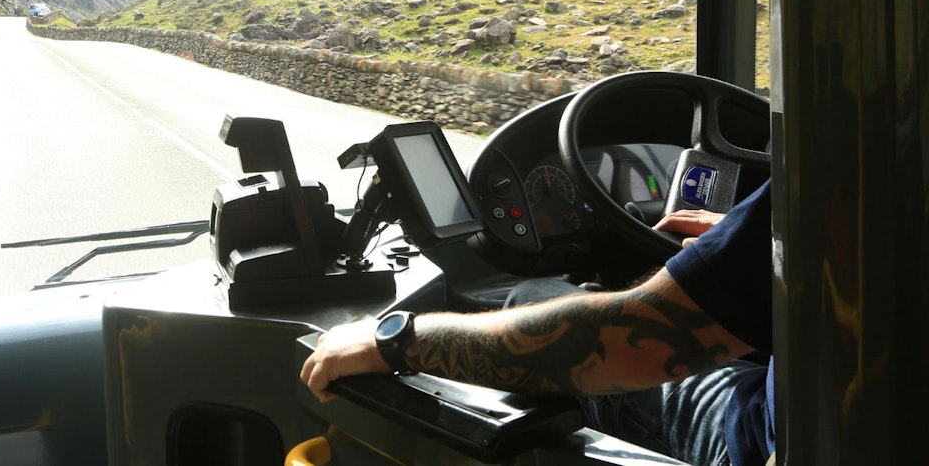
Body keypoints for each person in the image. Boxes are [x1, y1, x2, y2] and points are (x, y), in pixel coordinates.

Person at [301, 181, 774, 466]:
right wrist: (744, 237)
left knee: (534, 296)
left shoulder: (827, 163)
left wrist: (393, 340)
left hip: (757, 443)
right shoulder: (831, 173)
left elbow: (627, 345)